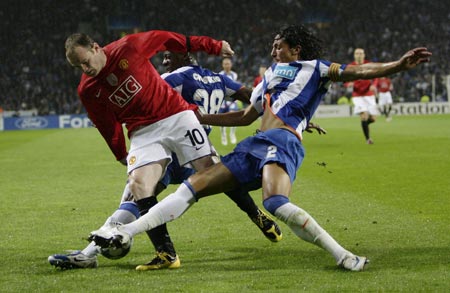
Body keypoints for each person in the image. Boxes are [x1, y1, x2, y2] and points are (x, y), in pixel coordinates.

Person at [89, 25, 431, 271]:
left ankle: (342, 255)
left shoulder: (316, 68)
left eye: (279, 46)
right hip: (253, 143)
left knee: (276, 202)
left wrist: (397, 66)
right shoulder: (267, 78)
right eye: (272, 45)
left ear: (295, 49)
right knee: (192, 187)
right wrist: (196, 115)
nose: (273, 51)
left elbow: (357, 71)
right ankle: (120, 232)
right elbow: (243, 116)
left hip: (283, 144)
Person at [48, 47, 282, 270]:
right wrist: (281, 113)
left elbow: (143, 97)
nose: (165, 62)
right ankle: (258, 216)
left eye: (169, 57)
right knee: (222, 177)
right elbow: (251, 96)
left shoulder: (173, 78)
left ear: (184, 56)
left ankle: (89, 254)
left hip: (167, 153)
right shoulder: (217, 78)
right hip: (197, 146)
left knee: (135, 198)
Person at [346, 48, 378, 144]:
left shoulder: (368, 65)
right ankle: (368, 139)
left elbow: (376, 76)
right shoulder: (350, 66)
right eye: (357, 53)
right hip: (357, 95)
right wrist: (348, 84)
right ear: (354, 55)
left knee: (373, 119)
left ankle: (364, 124)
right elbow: (344, 79)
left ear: (364, 55)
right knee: (364, 115)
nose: (359, 55)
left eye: (361, 53)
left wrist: (374, 85)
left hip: (369, 94)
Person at [218, 57, 239, 145]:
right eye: (225, 64)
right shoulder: (220, 75)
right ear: (223, 65)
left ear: (231, 65)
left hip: (231, 100)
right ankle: (223, 135)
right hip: (223, 100)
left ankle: (232, 134)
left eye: (228, 63)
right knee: (222, 119)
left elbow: (235, 87)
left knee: (234, 117)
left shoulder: (234, 75)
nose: (227, 65)